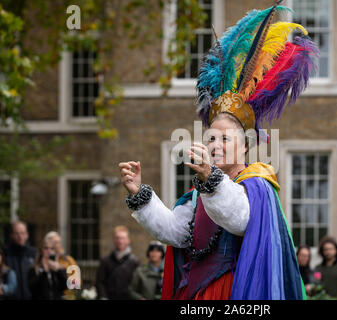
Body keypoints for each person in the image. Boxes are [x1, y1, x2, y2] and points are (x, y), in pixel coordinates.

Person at [119, 3, 318, 300]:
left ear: (246, 145)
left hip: (233, 294)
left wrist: (211, 179)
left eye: (225, 139)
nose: (216, 145)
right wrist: (140, 195)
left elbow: (239, 219)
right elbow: (174, 231)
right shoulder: (202, 190)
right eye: (212, 139)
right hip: (194, 295)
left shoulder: (257, 185)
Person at [96, 225, 140, 300]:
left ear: (128, 240)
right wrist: (103, 297)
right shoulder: (105, 261)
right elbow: (100, 282)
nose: (120, 241)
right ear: (114, 240)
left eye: (122, 238)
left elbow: (137, 285)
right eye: (117, 238)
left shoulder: (134, 262)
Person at [3, 221, 36, 299]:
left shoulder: (34, 253)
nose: (20, 236)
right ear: (11, 235)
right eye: (17, 233)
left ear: (27, 235)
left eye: (22, 233)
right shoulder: (5, 253)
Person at [44, 231, 79, 299]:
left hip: (66, 295)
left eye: (59, 242)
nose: (58, 245)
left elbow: (76, 283)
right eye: (55, 242)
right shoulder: (43, 261)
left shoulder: (68, 260)